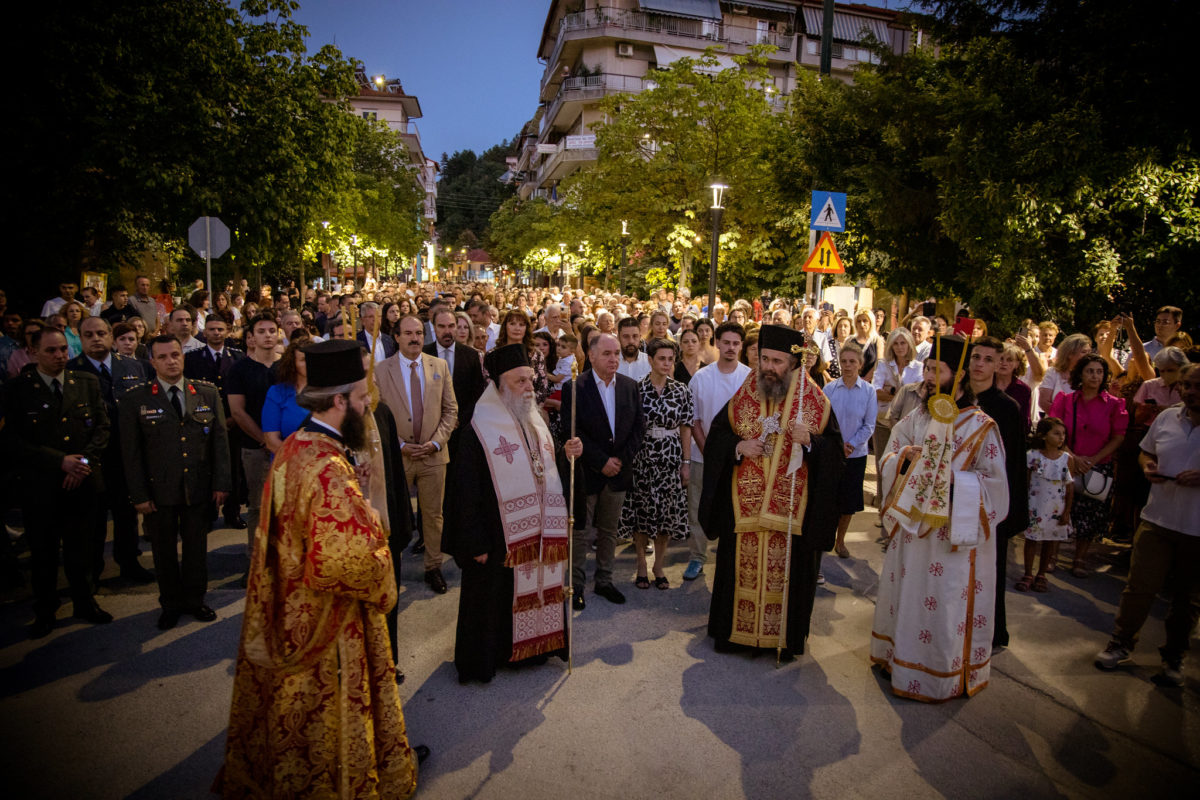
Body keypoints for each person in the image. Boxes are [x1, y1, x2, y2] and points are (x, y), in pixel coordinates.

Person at [217, 339, 424, 798]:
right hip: (327, 618)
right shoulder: (327, 467)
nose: (366, 407)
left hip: (292, 605)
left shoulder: (298, 446)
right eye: (360, 399)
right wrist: (376, 536)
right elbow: (348, 560)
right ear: (338, 402)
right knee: (330, 707)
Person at [870, 334, 1009, 701]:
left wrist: (952, 484)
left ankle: (940, 674)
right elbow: (890, 453)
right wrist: (903, 461)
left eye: (939, 370)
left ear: (959, 376)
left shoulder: (982, 427)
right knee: (909, 595)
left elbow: (995, 487)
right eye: (928, 368)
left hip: (951, 536)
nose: (930, 377)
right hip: (912, 534)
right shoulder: (918, 414)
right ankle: (897, 659)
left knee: (942, 602)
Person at [700, 325, 844, 660]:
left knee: (790, 576)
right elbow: (718, 437)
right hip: (745, 510)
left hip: (792, 512)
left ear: (793, 363)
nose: (768, 367)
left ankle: (783, 639)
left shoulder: (815, 402)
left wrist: (810, 442)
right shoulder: (747, 392)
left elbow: (836, 454)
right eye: (764, 358)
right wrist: (739, 446)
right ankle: (735, 636)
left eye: (777, 361)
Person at [443, 344, 579, 684]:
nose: (529, 388)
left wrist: (566, 453)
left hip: (534, 533)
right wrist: (474, 541)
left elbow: (545, 471)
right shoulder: (478, 430)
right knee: (491, 598)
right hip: (494, 537)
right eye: (521, 382)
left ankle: (535, 649)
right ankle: (490, 657)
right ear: (500, 385)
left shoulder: (535, 421)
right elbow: (464, 491)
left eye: (531, 381)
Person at [1093, 363, 1199, 685]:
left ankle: (1173, 659)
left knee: (1187, 598)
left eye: (1197, 386)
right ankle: (1121, 643)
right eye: (1186, 385)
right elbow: (1144, 452)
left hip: (1197, 529)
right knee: (1139, 587)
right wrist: (1147, 465)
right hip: (1157, 519)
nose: (1190, 391)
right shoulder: (1168, 417)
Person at [4, 327, 113, 638]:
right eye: (51, 351)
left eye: (63, 349)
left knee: (82, 548)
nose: (59, 356)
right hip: (41, 486)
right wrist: (59, 462)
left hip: (83, 481)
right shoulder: (19, 389)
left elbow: (102, 428)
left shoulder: (86, 382)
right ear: (34, 351)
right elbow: (12, 440)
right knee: (44, 552)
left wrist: (82, 463)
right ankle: (46, 608)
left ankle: (84, 601)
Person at [120, 335, 230, 629]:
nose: (171, 361)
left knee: (196, 548)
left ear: (183, 356)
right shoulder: (136, 398)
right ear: (152, 361)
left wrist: (222, 483)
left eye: (175, 355)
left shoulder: (206, 393)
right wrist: (139, 495)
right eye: (163, 357)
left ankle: (195, 600)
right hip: (159, 490)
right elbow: (131, 454)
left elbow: (219, 442)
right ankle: (170, 603)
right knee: (163, 551)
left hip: (197, 486)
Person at [558, 332, 645, 610]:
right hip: (588, 472)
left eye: (617, 353)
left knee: (609, 531)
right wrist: (601, 461)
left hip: (619, 472)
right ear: (591, 355)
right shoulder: (575, 387)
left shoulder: (630, 386)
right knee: (581, 532)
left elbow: (638, 429)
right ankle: (577, 584)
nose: (614, 358)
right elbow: (572, 431)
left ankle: (605, 580)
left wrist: (619, 459)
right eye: (607, 353)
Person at [67, 316, 152, 583]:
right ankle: (92, 570)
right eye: (89, 334)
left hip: (125, 452)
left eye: (101, 333)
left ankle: (129, 563)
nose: (96, 339)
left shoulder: (133, 366)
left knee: (126, 514)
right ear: (80, 338)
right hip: (90, 456)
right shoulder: (71, 371)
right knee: (92, 518)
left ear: (110, 336)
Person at [377, 315, 458, 594]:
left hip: (433, 455)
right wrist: (398, 444)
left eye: (418, 333)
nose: (414, 338)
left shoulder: (440, 366)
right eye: (408, 333)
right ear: (396, 337)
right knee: (394, 515)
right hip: (398, 456)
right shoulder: (380, 370)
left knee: (434, 516)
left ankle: (433, 567)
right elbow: (376, 415)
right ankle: (390, 569)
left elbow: (451, 411)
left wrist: (435, 443)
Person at [967, 336, 1028, 648]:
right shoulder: (952, 399)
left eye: (988, 359)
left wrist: (1011, 513)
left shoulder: (1007, 408)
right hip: (957, 500)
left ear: (998, 365)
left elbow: (1014, 464)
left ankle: (990, 631)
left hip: (991, 504)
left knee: (990, 570)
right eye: (976, 356)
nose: (980, 364)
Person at [618, 338, 693, 590]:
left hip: (671, 457)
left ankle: (658, 566)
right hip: (643, 457)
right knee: (642, 513)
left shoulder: (682, 390)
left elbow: (686, 427)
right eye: (661, 358)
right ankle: (641, 565)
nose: (667, 363)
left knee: (667, 516)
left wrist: (686, 462)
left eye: (671, 359)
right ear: (650, 360)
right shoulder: (635, 389)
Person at [1048, 353, 1128, 576]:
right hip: (1066, 462)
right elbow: (1054, 430)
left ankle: (1079, 559)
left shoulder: (1114, 405)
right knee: (1060, 510)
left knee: (1091, 515)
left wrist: (1093, 459)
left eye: (1099, 372)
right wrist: (1072, 456)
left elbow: (1118, 436)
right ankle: (1051, 556)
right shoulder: (1065, 400)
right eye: (1090, 371)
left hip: (1098, 465)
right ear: (1080, 374)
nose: (1095, 376)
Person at [683, 322, 750, 581]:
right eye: (726, 342)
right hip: (703, 457)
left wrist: (730, 451)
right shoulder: (701, 377)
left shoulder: (748, 378)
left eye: (736, 343)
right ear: (717, 343)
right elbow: (695, 420)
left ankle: (731, 558)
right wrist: (710, 452)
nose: (731, 348)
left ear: (741, 346)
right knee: (699, 508)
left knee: (734, 509)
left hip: (739, 458)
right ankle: (697, 557)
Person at [185, 315, 247, 527]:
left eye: (220, 329)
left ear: (227, 331)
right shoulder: (193, 359)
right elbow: (191, 392)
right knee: (207, 469)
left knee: (234, 471)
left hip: (233, 423)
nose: (216, 333)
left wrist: (232, 418)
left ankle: (233, 513)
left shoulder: (238, 358)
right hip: (204, 423)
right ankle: (209, 514)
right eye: (211, 329)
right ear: (204, 332)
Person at [824, 341, 875, 561]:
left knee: (848, 502)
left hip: (855, 455)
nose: (847, 365)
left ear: (860, 364)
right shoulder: (829, 389)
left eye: (852, 361)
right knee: (829, 500)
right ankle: (825, 538)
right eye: (843, 361)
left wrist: (851, 444)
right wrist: (836, 445)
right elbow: (823, 421)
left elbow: (869, 425)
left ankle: (840, 540)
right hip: (832, 453)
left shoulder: (869, 391)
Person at [1016, 417, 1073, 594]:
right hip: (1035, 506)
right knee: (1032, 539)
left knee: (1050, 540)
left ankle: (1041, 574)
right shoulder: (1032, 456)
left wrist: (1066, 512)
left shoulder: (1066, 459)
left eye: (1063, 434)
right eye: (1056, 433)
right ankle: (1027, 574)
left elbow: (1069, 488)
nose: (1061, 437)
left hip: (1056, 508)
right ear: (1043, 435)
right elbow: (1025, 483)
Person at [872, 328, 922, 506]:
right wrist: (902, 393)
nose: (900, 347)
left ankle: (900, 504)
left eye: (903, 343)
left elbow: (918, 394)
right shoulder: (883, 364)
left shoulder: (918, 367)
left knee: (905, 465)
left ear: (909, 344)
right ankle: (882, 503)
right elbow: (876, 391)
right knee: (883, 463)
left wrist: (891, 390)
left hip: (908, 423)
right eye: (896, 343)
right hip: (883, 420)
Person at [261, 335, 311, 452]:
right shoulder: (277, 393)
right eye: (303, 359)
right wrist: (300, 460)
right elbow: (271, 440)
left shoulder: (328, 392)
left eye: (312, 358)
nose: (309, 363)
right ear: (293, 363)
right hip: (288, 463)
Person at [1039, 333, 1091, 411]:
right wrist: (1067, 417)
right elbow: (1044, 402)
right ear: (1070, 354)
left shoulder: (1090, 374)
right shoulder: (1053, 372)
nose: (1088, 356)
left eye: (1089, 352)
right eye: (1083, 352)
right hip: (1056, 420)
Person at [616, 315, 651, 381]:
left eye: (635, 336)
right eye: (626, 336)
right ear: (618, 337)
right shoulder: (611, 363)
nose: (631, 341)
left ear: (640, 337)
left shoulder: (650, 363)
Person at [852, 310, 880, 381]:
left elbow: (879, 363)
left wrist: (865, 379)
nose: (862, 324)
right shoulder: (849, 341)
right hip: (852, 381)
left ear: (871, 322)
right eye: (859, 321)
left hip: (871, 382)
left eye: (865, 321)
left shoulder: (877, 341)